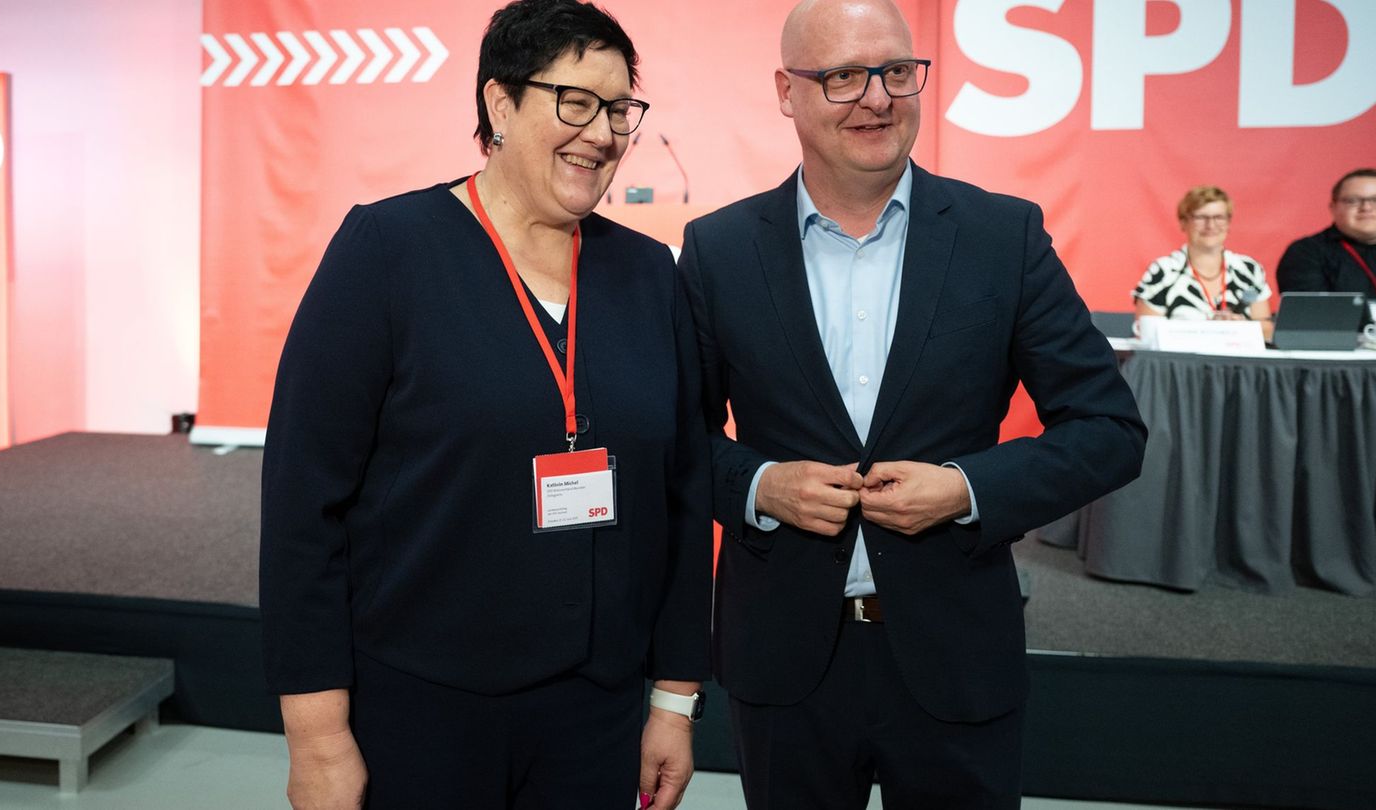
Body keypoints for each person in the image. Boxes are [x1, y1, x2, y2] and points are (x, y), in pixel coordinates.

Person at [677, 1, 1146, 807]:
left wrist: (966, 490)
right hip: (783, 663)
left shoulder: (1005, 237)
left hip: (958, 655)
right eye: (843, 76)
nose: (877, 97)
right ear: (786, 92)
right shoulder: (718, 249)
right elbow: (675, 439)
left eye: (896, 71)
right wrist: (760, 488)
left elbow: (1109, 430)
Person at [258, 2, 711, 808]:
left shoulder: (648, 277)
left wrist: (673, 701)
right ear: (500, 105)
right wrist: (317, 738)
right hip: (422, 708)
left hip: (596, 710)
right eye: (575, 101)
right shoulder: (387, 252)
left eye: (618, 110)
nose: (602, 132)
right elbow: (303, 507)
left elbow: (681, 501)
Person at [1133, 186, 1272, 329]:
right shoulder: (1163, 271)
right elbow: (1146, 333)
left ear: (1229, 222)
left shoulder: (1248, 270)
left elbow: (1267, 331)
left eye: (1219, 217)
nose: (1210, 225)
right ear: (1183, 222)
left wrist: (1241, 326)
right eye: (1200, 217)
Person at [1278, 168, 1376, 319]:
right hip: (1335, 342)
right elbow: (1311, 315)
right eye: (1353, 201)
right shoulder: (1305, 253)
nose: (1366, 208)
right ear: (1333, 207)